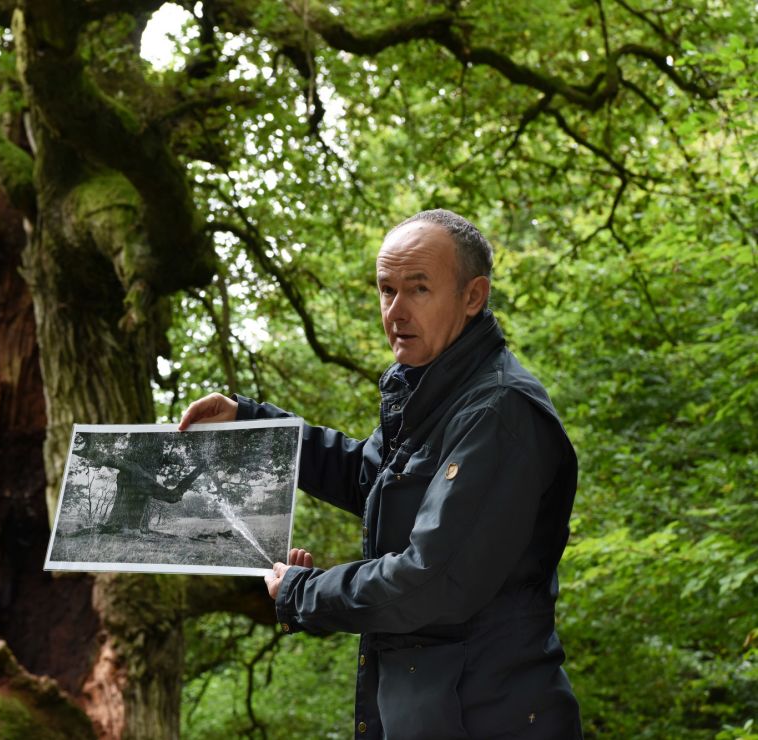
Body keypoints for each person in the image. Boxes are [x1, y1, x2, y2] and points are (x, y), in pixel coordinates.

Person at [178, 210, 582, 739]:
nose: (396, 311)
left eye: (418, 289)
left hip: (489, 717)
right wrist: (252, 423)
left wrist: (306, 594)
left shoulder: (498, 411)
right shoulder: (428, 392)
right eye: (386, 290)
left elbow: (430, 580)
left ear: (472, 296)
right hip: (427, 715)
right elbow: (366, 478)